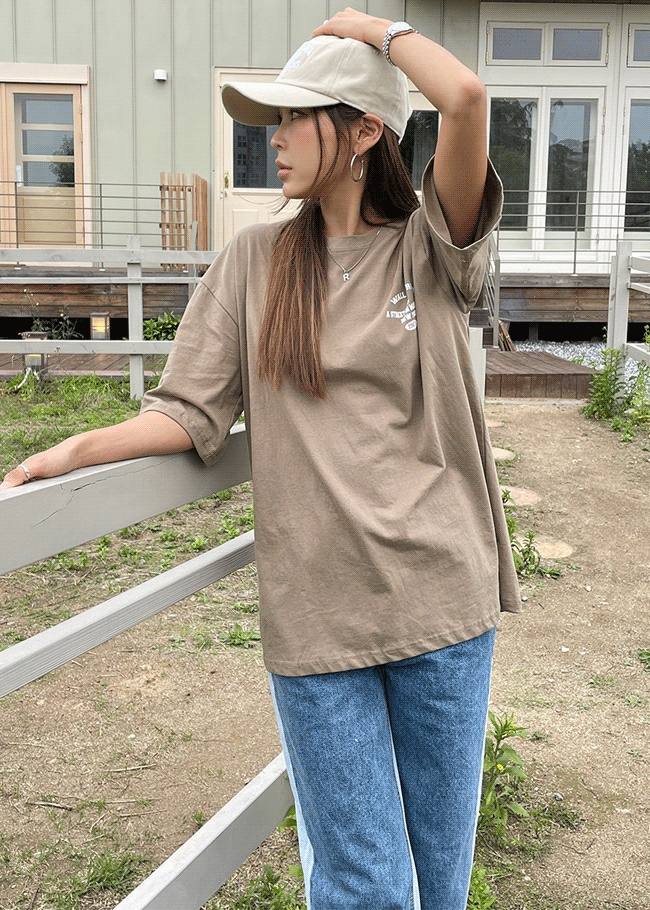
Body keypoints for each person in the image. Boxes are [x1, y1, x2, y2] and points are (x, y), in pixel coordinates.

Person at [1, 9, 521, 909]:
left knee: (441, 878)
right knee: (362, 883)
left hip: (441, 602)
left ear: (364, 132)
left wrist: (370, 27)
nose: (273, 140)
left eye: (293, 118)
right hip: (315, 614)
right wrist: (74, 449)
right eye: (271, 121)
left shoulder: (432, 247)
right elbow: (187, 410)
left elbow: (466, 97)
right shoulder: (254, 261)